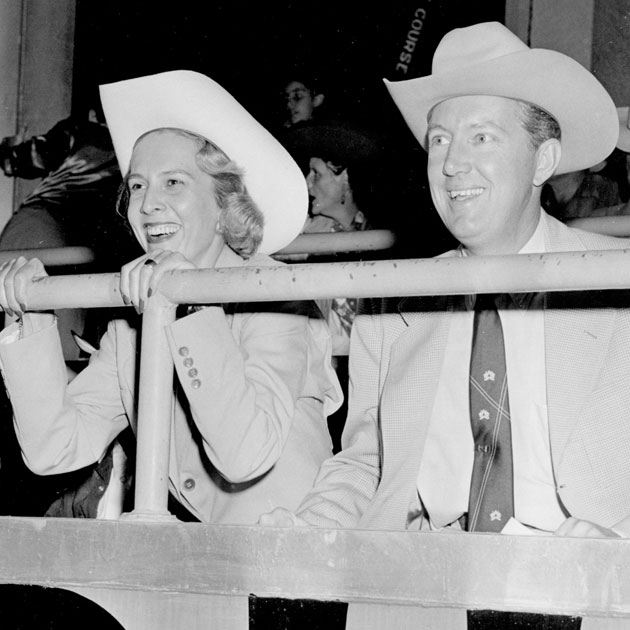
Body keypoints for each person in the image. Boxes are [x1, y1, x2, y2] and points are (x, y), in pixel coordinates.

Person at [261, 22, 630, 630]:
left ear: (544, 158)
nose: (453, 163)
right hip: (424, 593)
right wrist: (308, 528)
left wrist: (616, 539)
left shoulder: (617, 284)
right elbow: (368, 463)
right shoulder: (394, 300)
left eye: (481, 137)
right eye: (438, 140)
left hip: (588, 590)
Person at [0, 69, 342, 526]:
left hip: (287, 558)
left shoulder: (274, 294)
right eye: (137, 185)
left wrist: (192, 305)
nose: (147, 205)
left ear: (225, 206)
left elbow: (245, 455)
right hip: (196, 559)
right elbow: (55, 448)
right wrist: (32, 319)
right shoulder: (131, 324)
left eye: (174, 183)